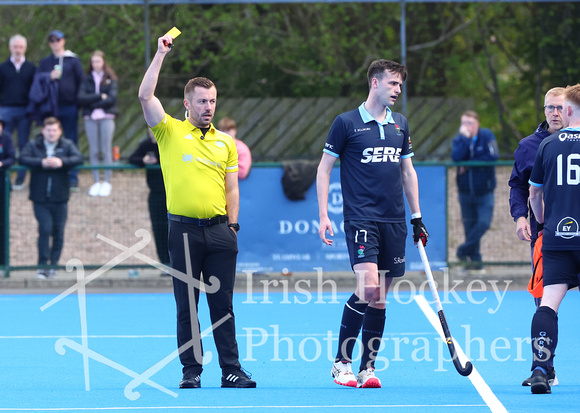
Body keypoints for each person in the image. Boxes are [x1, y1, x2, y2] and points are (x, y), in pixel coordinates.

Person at [138, 31, 255, 389]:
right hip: (184, 232)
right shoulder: (169, 131)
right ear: (187, 103)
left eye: (213, 101)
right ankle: (192, 372)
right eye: (202, 101)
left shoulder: (226, 143)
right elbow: (144, 95)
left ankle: (231, 370)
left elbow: (232, 187)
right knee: (187, 307)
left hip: (220, 232)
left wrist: (232, 226)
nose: (208, 107)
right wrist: (160, 55)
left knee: (223, 306)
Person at [316, 59, 428, 389]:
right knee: (366, 287)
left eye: (400, 85)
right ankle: (341, 363)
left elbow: (408, 172)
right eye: (393, 84)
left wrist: (417, 215)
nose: (398, 90)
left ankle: (368, 367)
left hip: (394, 219)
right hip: (361, 217)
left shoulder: (400, 125)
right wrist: (323, 215)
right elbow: (323, 170)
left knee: (379, 297)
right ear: (375, 83)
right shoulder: (346, 123)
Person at [509, 87, 565, 387]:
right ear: (543, 110)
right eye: (549, 108)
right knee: (544, 301)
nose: (554, 113)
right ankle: (546, 367)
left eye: (559, 107)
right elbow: (518, 186)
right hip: (546, 236)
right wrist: (520, 217)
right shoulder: (530, 146)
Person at [527, 84, 580, 394]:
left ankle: (540, 369)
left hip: (557, 237)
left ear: (568, 110)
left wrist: (544, 218)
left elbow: (534, 193)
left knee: (548, 305)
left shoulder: (549, 145)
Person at [19, 117, 83, 278]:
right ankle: (42, 265)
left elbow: (78, 158)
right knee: (45, 229)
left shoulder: (66, 145)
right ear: (43, 131)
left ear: (59, 131)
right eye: (48, 130)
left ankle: (53, 265)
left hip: (60, 197)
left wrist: (62, 162)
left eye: (54, 130)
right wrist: (41, 162)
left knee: (58, 232)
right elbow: (23, 158)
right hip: (39, 197)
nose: (51, 133)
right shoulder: (34, 145)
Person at [451, 110, 499, 273]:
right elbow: (456, 158)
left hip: (484, 191)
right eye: (464, 123)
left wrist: (469, 163)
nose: (467, 126)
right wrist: (464, 139)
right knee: (469, 227)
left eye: (470, 123)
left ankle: (462, 251)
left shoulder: (487, 136)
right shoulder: (460, 140)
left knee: (483, 223)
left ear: (477, 124)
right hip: (465, 192)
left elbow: (493, 156)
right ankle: (475, 261)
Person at [37, 30, 83, 190]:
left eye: (58, 39)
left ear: (63, 41)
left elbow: (81, 83)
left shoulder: (73, 60)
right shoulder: (45, 62)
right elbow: (38, 81)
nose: (55, 42)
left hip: (69, 107)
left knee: (70, 140)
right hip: (51, 107)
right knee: (49, 139)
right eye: (52, 40)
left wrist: (77, 104)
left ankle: (72, 177)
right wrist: (48, 76)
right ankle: (49, 174)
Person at [78, 50, 118, 197]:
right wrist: (99, 97)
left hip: (107, 117)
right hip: (90, 118)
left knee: (106, 149)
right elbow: (81, 98)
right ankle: (96, 181)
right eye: (93, 61)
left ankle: (107, 181)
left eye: (98, 61)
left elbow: (111, 98)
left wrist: (92, 101)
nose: (96, 64)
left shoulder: (111, 78)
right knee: (94, 150)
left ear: (103, 62)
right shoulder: (86, 79)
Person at [128, 128, 170, 270]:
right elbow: (132, 159)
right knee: (159, 228)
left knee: (175, 229)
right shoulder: (145, 145)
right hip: (156, 194)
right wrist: (143, 160)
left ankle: (178, 264)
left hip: (172, 193)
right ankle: (164, 263)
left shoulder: (168, 143)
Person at [0, 34, 35, 190]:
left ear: (25, 48)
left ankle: (20, 178)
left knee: (23, 144)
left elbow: (35, 91)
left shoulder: (31, 68)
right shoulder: (3, 67)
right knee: (4, 143)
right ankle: (4, 175)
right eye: (15, 46)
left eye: (20, 47)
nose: (18, 49)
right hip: (5, 110)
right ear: (10, 48)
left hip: (24, 111)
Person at [0, 117, 16, 270]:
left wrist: (2, 164)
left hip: (2, 187)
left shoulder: (6, 138)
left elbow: (12, 157)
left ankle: (3, 263)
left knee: (2, 224)